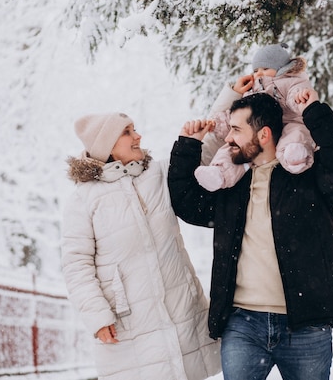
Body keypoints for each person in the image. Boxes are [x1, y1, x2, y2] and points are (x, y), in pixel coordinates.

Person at [168, 88, 333, 380]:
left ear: (263, 135)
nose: (228, 138)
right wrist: (188, 146)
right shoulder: (230, 186)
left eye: (236, 129)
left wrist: (312, 110)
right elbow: (185, 201)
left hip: (306, 324)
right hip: (242, 324)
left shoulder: (309, 178)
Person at [61, 112, 221, 380]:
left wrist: (228, 98)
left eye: (135, 129)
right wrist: (98, 317)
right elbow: (76, 266)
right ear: (107, 146)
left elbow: (200, 154)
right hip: (130, 324)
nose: (138, 136)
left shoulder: (157, 175)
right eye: (127, 132)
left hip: (181, 312)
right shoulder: (82, 201)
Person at [194, 43, 316, 192]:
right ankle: (219, 173)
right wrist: (219, 123)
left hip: (289, 121)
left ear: (281, 68)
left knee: (295, 135)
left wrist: (299, 99)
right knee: (236, 148)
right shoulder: (255, 89)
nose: (259, 73)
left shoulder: (291, 81)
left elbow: (295, 92)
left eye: (265, 69)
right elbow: (241, 113)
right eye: (256, 70)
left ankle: (295, 156)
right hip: (259, 129)